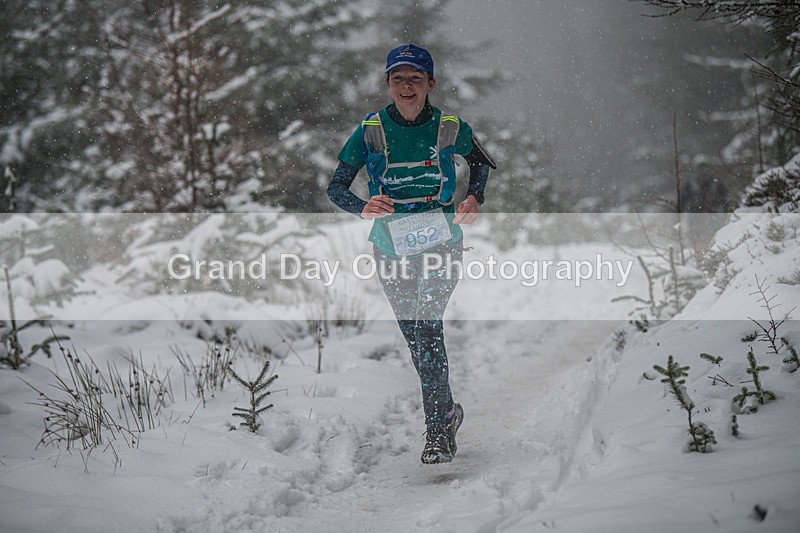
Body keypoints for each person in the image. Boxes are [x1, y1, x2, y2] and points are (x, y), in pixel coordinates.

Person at [327, 43, 494, 465]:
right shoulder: (370, 130)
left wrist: (473, 198)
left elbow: (481, 162)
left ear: (430, 84)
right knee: (416, 338)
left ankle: (437, 432)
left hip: (442, 244)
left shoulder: (449, 126)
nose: (406, 85)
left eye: (415, 78)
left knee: (427, 328)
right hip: (390, 248)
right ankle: (449, 411)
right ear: (387, 84)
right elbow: (336, 187)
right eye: (398, 78)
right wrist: (362, 206)